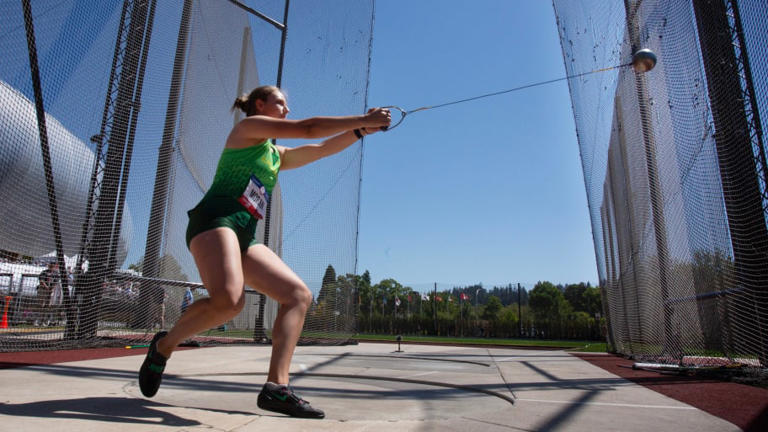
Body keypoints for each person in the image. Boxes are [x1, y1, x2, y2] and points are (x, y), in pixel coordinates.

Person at [139, 85, 390, 419]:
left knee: (297, 295)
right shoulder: (247, 129)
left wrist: (361, 130)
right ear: (260, 104)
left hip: (242, 233)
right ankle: (163, 347)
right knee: (230, 301)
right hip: (215, 221)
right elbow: (308, 129)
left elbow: (320, 148)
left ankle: (276, 388)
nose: (286, 108)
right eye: (280, 102)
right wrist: (363, 117)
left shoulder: (276, 155)